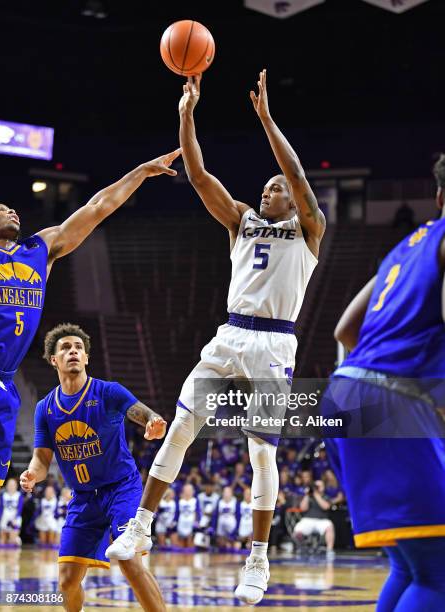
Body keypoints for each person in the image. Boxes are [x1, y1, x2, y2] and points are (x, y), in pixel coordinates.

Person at [107, 68, 325, 606]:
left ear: (294, 201)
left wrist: (268, 121)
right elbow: (201, 176)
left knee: (261, 454)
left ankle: (258, 557)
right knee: (181, 424)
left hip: (275, 343)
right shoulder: (242, 222)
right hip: (230, 335)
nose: (269, 190)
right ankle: (141, 526)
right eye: (266, 186)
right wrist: (187, 114)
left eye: (277, 188)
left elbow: (295, 173)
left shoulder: (310, 228)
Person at [0, 148, 181, 489]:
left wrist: (139, 171)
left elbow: (97, 208)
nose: (10, 211)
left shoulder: (39, 250)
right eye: (0, 209)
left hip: (5, 384)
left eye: (12, 208)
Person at [321, 154, 445, 610]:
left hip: (343, 391)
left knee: (410, 563)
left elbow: (345, 331)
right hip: (389, 399)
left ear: (437, 196)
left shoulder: (404, 247)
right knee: (439, 570)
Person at [19, 323, 168, 612]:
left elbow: (142, 412)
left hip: (121, 488)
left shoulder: (108, 392)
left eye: (78, 348)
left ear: (86, 357)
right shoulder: (45, 408)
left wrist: (153, 422)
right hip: (83, 497)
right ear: (54, 360)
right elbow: (42, 458)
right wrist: (32, 474)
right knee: (66, 581)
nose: (73, 351)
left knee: (128, 559)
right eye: (65, 348)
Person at [293, 480, 335, 559]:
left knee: (330, 526)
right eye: (316, 486)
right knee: (297, 530)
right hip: (308, 519)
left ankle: (330, 550)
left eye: (319, 486)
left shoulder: (326, 496)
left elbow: (326, 506)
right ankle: (303, 548)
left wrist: (316, 495)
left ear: (323, 487)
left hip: (322, 520)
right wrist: (307, 495)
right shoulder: (308, 497)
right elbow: (303, 508)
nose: (317, 488)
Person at [0, 477, 23, 546]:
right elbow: (1, 509)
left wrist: (15, 519)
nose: (11, 486)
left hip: (15, 518)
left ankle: (17, 540)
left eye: (13, 485)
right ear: (6, 486)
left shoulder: (19, 495)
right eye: (9, 485)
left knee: (11, 541)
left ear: (16, 486)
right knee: (2, 541)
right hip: (5, 517)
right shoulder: (3, 496)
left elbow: (19, 509)